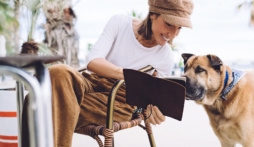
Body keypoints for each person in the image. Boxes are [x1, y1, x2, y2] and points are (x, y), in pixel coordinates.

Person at [22, 0, 194, 146]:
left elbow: (153, 102)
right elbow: (92, 60)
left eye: (179, 28)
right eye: (169, 24)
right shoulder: (121, 23)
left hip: (120, 99)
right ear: (153, 14)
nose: (173, 34)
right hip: (91, 80)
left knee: (38, 103)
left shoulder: (165, 57)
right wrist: (126, 74)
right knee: (60, 71)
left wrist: (154, 110)